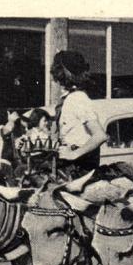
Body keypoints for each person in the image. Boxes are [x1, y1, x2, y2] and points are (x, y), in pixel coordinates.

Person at [50, 50, 108, 178]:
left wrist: (74, 154)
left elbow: (100, 135)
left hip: (78, 170)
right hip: (69, 167)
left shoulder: (78, 98)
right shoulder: (68, 98)